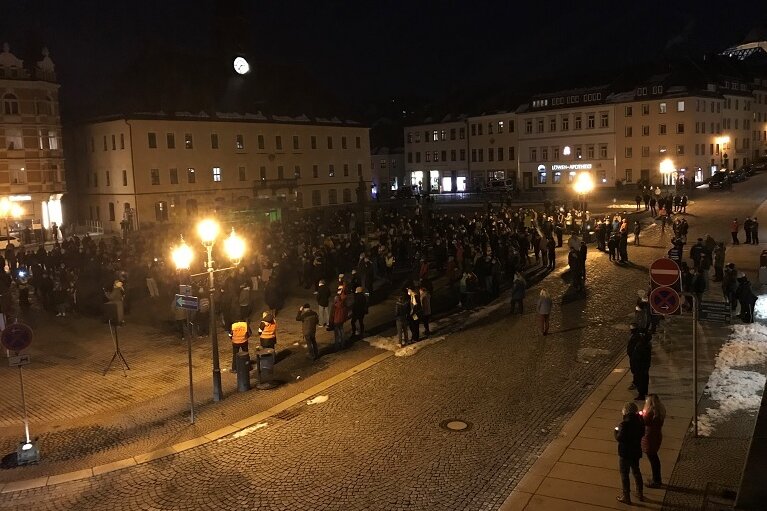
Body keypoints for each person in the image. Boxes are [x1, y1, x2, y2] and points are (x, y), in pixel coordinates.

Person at [614, 401, 645, 504]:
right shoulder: (640, 422)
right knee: (636, 471)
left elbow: (620, 438)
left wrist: (616, 431)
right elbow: (642, 433)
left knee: (624, 474)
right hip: (635, 451)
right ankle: (640, 493)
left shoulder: (624, 424)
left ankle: (626, 496)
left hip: (625, 453)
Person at [641, 394, 666, 488]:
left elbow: (643, 422)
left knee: (653, 459)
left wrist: (641, 416)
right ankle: (656, 478)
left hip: (649, 438)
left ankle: (656, 480)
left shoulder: (649, 414)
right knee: (654, 458)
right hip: (656, 436)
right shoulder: (659, 412)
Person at [631, 330, 652, 400]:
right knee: (643, 380)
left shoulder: (643, 346)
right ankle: (643, 392)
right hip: (641, 367)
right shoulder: (645, 345)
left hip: (640, 367)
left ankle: (642, 394)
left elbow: (640, 357)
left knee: (641, 380)